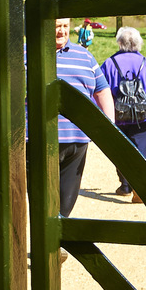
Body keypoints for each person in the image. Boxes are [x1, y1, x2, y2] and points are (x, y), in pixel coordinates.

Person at [101, 26, 146, 204]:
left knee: (120, 151)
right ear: (139, 43)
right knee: (142, 152)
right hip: (143, 116)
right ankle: (141, 190)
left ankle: (125, 186)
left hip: (118, 116)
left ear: (119, 43)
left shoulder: (109, 64)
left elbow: (100, 91)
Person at [54, 17, 114, 217]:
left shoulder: (85, 56)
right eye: (56, 27)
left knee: (66, 200)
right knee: (41, 198)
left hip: (77, 142)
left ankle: (55, 243)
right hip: (38, 141)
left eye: (64, 26)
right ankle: (44, 245)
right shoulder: (25, 53)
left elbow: (102, 90)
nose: (61, 31)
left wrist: (109, 128)